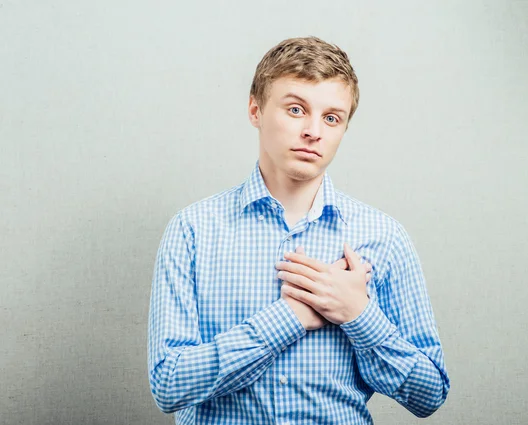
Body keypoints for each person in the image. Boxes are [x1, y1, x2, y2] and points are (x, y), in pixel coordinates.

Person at [147, 36, 450, 425]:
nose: (313, 131)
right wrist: (288, 318)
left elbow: (430, 396)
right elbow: (169, 385)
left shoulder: (384, 237)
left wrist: (359, 315)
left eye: (331, 118)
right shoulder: (192, 230)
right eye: (295, 109)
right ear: (255, 110)